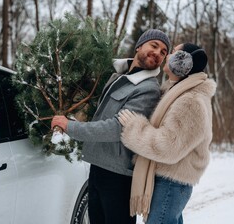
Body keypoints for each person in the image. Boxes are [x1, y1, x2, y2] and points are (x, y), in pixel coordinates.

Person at [51, 29, 171, 224]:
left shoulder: (148, 89)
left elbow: (117, 128)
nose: (158, 53)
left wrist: (70, 127)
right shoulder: (118, 76)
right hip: (98, 166)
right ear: (139, 46)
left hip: (119, 176)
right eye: (154, 46)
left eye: (164, 52)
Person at [118, 43, 217, 224]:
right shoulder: (176, 92)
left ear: (183, 62)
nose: (167, 56)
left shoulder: (190, 101)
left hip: (171, 183)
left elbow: (167, 146)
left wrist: (134, 127)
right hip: (168, 180)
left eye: (172, 53)